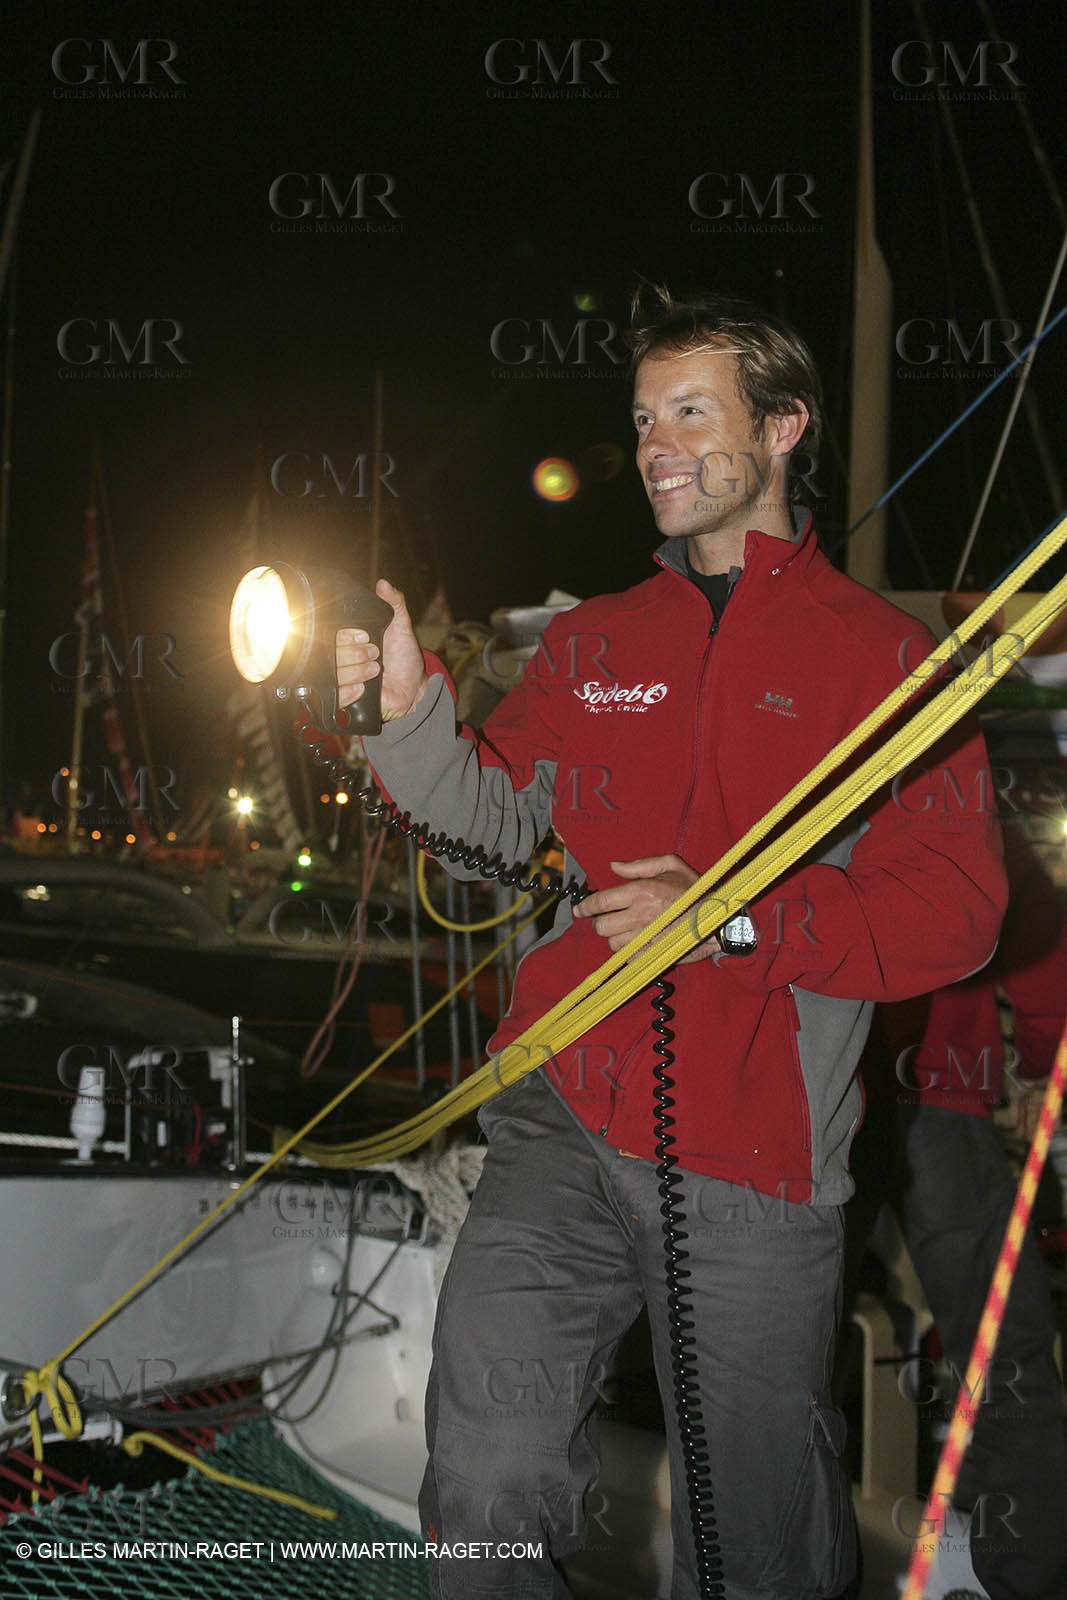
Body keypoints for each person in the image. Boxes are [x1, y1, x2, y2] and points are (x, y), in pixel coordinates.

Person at [336, 289, 1008, 1600]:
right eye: (641, 418)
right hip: (560, 1122)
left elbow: (955, 910)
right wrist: (410, 719)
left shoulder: (884, 662)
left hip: (754, 1167)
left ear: (782, 428)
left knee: (752, 1544)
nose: (654, 443)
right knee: (478, 1476)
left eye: (689, 411)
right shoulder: (593, 643)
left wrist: (736, 917)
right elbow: (487, 822)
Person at [843, 812, 1067, 1600]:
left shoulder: (788, 759)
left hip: (816, 1096)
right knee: (1002, 1348)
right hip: (936, 1085)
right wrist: (1039, 1060)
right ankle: (1029, 1576)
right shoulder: (957, 788)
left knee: (785, 1347)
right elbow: (1039, 935)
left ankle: (806, 1559)